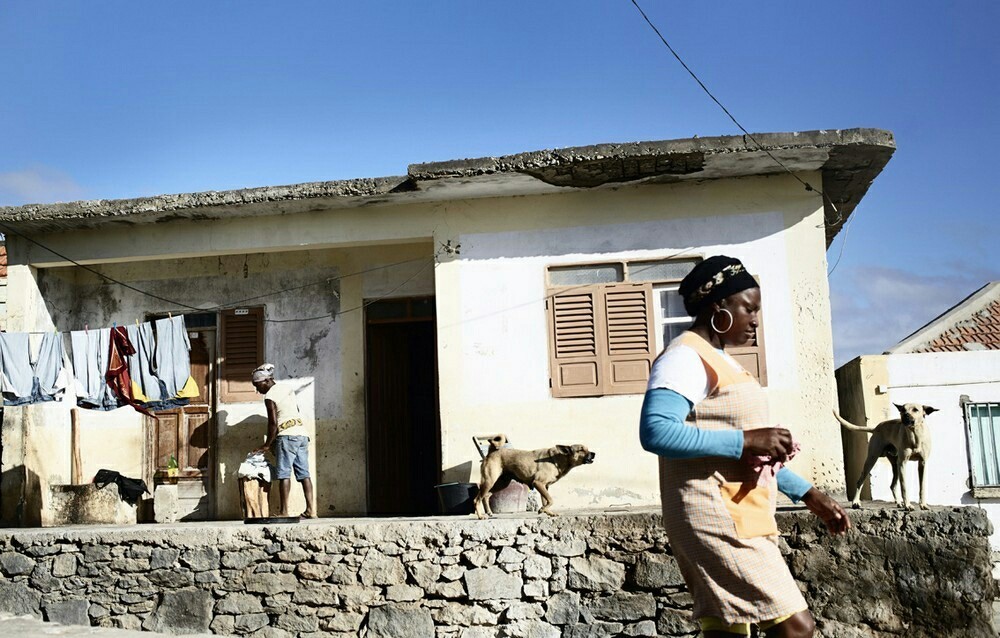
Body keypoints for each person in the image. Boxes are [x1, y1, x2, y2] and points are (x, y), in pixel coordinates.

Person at [639, 255, 849, 638]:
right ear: (719, 307)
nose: (755, 320)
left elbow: (751, 455)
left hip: (738, 508)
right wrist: (747, 438)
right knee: (796, 627)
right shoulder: (684, 356)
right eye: (749, 309)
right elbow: (655, 432)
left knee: (727, 629)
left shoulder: (722, 361)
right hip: (710, 512)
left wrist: (809, 494)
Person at [252, 363, 315, 518]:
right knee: (304, 475)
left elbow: (273, 422)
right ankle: (311, 510)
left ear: (265, 381)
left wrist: (267, 445)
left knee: (283, 474)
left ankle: (284, 511)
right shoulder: (287, 388)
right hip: (301, 434)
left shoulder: (270, 396)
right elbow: (296, 410)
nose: (257, 390)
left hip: (286, 436)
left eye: (257, 385)